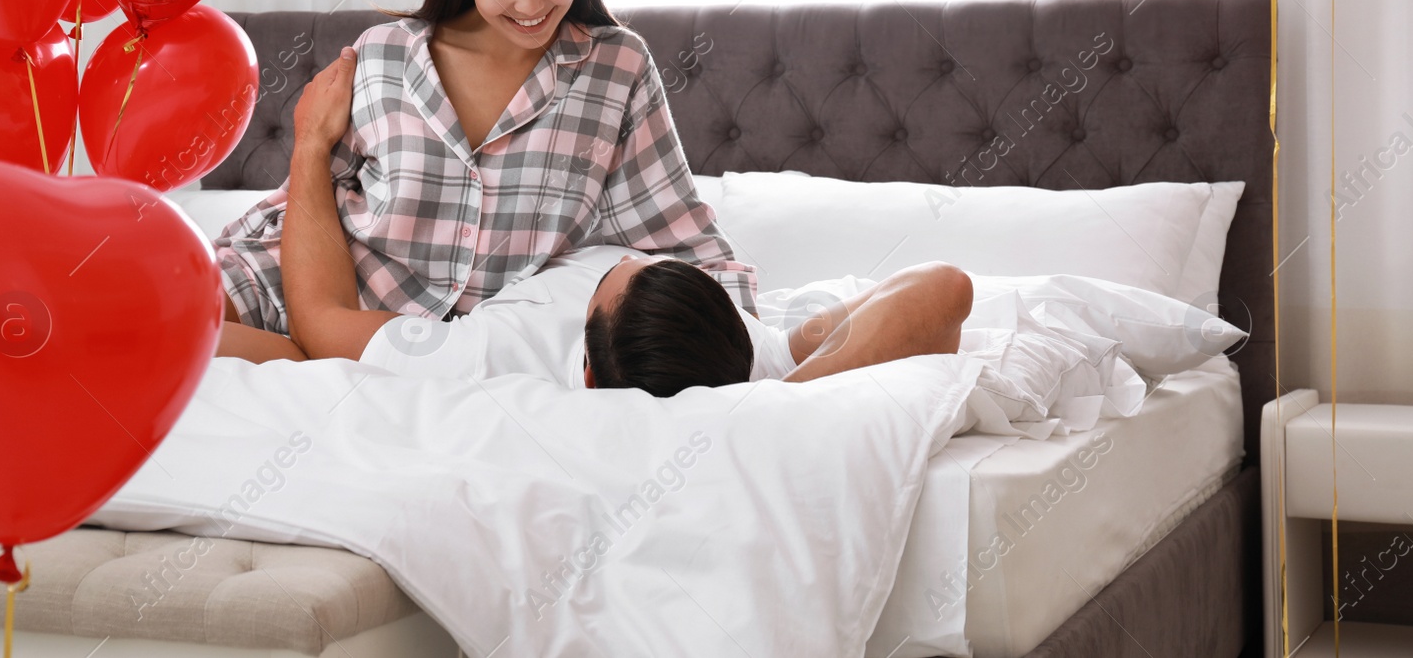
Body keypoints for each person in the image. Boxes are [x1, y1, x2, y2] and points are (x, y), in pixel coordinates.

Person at [212, 0, 756, 364]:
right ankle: (308, 358)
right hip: (312, 280)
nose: (530, 5)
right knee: (159, 333)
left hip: (435, 342)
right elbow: (309, 199)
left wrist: (746, 341)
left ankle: (314, 363)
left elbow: (676, 238)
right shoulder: (387, 55)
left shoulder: (617, 67)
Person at [248, 243, 971, 397]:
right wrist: (782, 402)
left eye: (606, 274)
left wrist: (310, 141)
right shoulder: (755, 359)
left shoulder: (491, 356)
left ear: (585, 366)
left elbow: (317, 322)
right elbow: (943, 283)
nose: (634, 247)